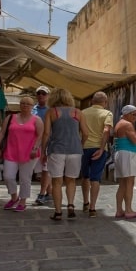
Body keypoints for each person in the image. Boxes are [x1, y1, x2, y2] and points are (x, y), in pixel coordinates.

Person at [41, 88, 89, 221]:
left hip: (57, 150)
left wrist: (43, 149)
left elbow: (46, 133)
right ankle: (71, 205)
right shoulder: (78, 112)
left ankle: (57, 212)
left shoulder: (52, 112)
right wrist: (81, 144)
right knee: (71, 180)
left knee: (57, 181)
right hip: (75, 150)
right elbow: (85, 133)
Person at [0, 95, 43, 212]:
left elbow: (40, 135)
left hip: (29, 153)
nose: (25, 105)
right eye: (23, 103)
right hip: (11, 151)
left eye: (28, 103)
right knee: (8, 176)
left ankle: (23, 201)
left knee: (25, 178)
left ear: (32, 106)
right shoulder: (11, 117)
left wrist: (35, 148)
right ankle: (14, 197)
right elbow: (2, 133)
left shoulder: (37, 120)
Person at [79, 91, 114, 217]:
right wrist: (101, 148)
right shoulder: (107, 113)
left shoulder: (82, 113)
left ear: (92, 101)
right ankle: (93, 208)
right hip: (98, 149)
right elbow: (106, 131)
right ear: (105, 102)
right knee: (95, 178)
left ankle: (85, 202)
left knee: (85, 176)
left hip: (84, 147)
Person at [113, 105, 136, 219]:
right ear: (126, 114)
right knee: (129, 183)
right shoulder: (127, 124)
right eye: (134, 114)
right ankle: (129, 210)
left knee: (122, 184)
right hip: (128, 154)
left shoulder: (119, 124)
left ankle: (119, 210)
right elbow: (135, 141)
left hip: (121, 154)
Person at [32, 86, 52, 206]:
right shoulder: (32, 110)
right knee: (40, 169)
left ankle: (42, 193)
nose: (40, 95)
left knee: (46, 168)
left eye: (43, 93)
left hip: (48, 142)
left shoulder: (51, 110)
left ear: (47, 96)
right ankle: (49, 192)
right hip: (34, 142)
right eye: (38, 93)